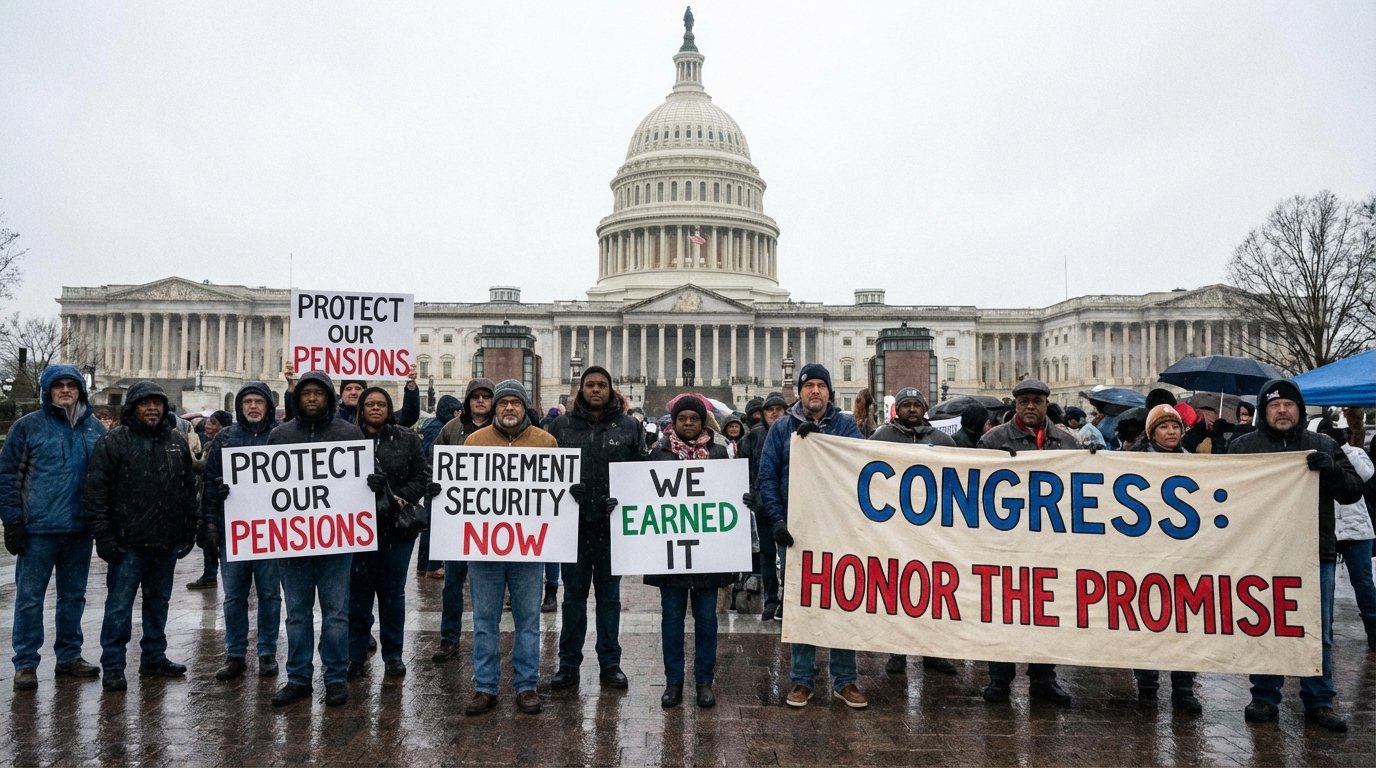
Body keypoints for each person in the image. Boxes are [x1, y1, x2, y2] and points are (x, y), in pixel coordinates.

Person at [1228, 379, 1363, 732]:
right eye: (1275, 406)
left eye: (1289, 405)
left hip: (1314, 551)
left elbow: (1352, 492)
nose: (1283, 411)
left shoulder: (1323, 444)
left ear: (1300, 411)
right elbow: (1224, 494)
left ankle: (1320, 700)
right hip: (1262, 552)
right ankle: (1264, 695)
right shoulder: (1243, 447)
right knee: (1264, 624)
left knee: (1319, 630)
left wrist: (1331, 470)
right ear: (1264, 411)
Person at [759, 363, 869, 709]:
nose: (815, 392)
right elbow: (768, 477)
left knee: (842, 601)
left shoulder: (846, 425)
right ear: (801, 392)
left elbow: (865, 467)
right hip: (798, 529)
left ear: (829, 392)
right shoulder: (781, 429)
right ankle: (802, 680)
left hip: (838, 525)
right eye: (810, 386)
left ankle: (845, 679)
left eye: (821, 386)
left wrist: (822, 443)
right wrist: (777, 519)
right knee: (801, 604)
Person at [84, 380, 198, 694]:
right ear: (133, 407)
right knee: (119, 607)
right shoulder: (115, 441)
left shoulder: (175, 440)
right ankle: (114, 665)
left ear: (164, 407)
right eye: (145, 403)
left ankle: (154, 656)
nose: (152, 408)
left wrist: (189, 528)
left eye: (156, 403)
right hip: (127, 542)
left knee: (158, 603)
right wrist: (104, 537)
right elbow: (96, 492)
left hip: (164, 541)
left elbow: (188, 488)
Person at [1, 364, 107, 692]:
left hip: (79, 528)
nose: (64, 390)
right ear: (48, 390)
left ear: (80, 390)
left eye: (70, 385)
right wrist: (13, 520)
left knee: (73, 597)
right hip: (38, 529)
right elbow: (8, 475)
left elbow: (106, 479)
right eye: (58, 385)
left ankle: (69, 656)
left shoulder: (95, 430)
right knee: (30, 599)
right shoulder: (28, 427)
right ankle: (26, 662)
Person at [266, 371, 365, 708]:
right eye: (306, 393)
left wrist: (374, 484)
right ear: (297, 398)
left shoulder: (349, 433)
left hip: (337, 541)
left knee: (336, 613)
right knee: (297, 614)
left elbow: (360, 483)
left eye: (317, 394)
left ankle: (335, 677)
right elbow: (264, 487)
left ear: (328, 398)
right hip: (291, 540)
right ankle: (298, 678)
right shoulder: (279, 436)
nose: (311, 399)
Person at [977, 378, 1077, 705]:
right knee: (1003, 612)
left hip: (1050, 543)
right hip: (1006, 543)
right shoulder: (993, 441)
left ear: (1046, 404)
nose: (1030, 406)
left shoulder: (1066, 442)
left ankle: (1044, 679)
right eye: (1024, 402)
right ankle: (999, 680)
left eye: (1036, 400)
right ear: (1015, 405)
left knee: (1046, 613)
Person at [546, 365, 645, 691]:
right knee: (572, 599)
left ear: (610, 388)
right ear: (581, 389)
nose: (596, 390)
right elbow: (545, 477)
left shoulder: (629, 426)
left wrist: (623, 499)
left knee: (609, 600)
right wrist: (564, 489)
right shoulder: (561, 425)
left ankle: (610, 664)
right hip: (573, 528)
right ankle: (568, 663)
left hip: (610, 528)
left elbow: (641, 475)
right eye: (590, 384)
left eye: (602, 384)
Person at [461, 380, 553, 716]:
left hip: (529, 548)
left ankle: (526, 685)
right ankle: (485, 687)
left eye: (515, 402)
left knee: (528, 619)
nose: (509, 409)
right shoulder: (474, 441)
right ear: (495, 408)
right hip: (484, 548)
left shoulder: (547, 443)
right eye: (503, 404)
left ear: (525, 407)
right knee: (485, 619)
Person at [645, 395, 732, 708]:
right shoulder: (659, 455)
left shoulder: (720, 454)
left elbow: (730, 496)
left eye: (694, 419)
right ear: (674, 422)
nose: (688, 424)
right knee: (672, 619)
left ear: (702, 422)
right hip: (671, 555)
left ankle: (704, 681)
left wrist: (743, 498)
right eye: (683, 419)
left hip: (708, 554)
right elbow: (644, 498)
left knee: (707, 620)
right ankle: (674, 681)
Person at [868, 387, 959, 677]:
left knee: (934, 589)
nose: (911, 410)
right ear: (898, 410)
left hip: (933, 528)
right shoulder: (882, 436)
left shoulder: (943, 441)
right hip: (894, 528)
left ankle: (933, 651)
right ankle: (898, 651)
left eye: (915, 405)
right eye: (905, 405)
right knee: (898, 588)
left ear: (924, 409)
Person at [200, 381, 282, 680]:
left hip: (272, 531)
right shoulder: (226, 438)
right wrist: (209, 522)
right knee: (234, 596)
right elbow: (208, 484)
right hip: (234, 530)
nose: (252, 406)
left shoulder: (280, 436)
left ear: (268, 405)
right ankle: (235, 653)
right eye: (247, 401)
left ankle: (267, 652)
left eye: (258, 401)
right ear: (240, 406)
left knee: (270, 595)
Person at [348, 387, 430, 683]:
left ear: (389, 407)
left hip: (396, 527)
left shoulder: (406, 438)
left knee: (392, 594)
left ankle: (393, 655)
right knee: (358, 595)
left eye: (381, 404)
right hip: (357, 528)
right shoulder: (348, 438)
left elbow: (421, 476)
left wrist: (399, 498)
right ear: (361, 408)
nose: (375, 408)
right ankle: (355, 655)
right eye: (369, 404)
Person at [1127, 404, 1203, 713]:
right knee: (1147, 621)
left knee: (1185, 623)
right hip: (1146, 554)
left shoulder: (1195, 463)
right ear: (1151, 432)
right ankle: (1147, 686)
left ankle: (1183, 687)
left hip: (1184, 556)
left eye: (1175, 427)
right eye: (1164, 427)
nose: (1171, 432)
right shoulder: (1133, 461)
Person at [431, 378, 495, 663]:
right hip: (458, 519)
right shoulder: (452, 429)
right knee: (453, 583)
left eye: (485, 397)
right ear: (467, 401)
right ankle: (449, 638)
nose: (480, 401)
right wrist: (435, 484)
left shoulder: (504, 429)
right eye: (475, 397)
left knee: (489, 584)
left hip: (495, 518)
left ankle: (489, 638)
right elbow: (433, 462)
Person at [1326, 413, 1376, 651]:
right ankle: (1326, 633)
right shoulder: (1316, 455)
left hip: (1358, 531)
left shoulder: (1356, 453)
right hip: (1328, 530)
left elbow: (1365, 475)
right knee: (1326, 586)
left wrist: (1344, 447)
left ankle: (1374, 630)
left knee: (1364, 582)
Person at [416, 393, 461, 577]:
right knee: (432, 527)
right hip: (435, 482)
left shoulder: (435, 425)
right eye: (457, 411)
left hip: (434, 480)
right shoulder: (439, 428)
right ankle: (432, 566)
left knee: (430, 526)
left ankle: (424, 565)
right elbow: (431, 453)